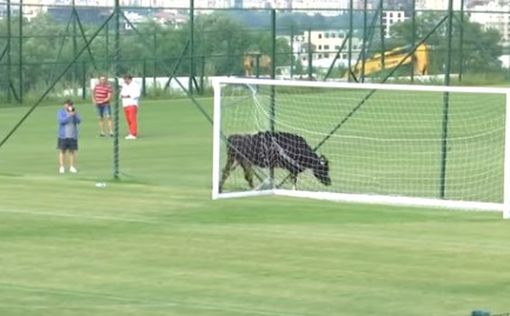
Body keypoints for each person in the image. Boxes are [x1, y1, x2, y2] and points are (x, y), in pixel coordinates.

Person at [57, 99, 81, 174]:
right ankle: (61, 167)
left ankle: (72, 167)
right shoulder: (61, 112)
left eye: (70, 105)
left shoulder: (74, 112)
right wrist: (69, 116)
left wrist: (74, 115)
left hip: (72, 135)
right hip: (63, 135)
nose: (69, 106)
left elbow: (79, 121)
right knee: (62, 151)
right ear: (65, 105)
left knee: (72, 151)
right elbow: (61, 121)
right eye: (68, 105)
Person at [120, 74, 141, 140]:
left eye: (126, 79)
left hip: (132, 104)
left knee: (132, 119)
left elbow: (136, 94)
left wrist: (127, 96)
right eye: (124, 79)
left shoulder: (135, 85)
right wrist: (123, 96)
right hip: (125, 104)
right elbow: (121, 94)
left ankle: (133, 133)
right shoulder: (124, 86)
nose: (125, 81)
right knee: (128, 119)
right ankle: (131, 132)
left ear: (130, 79)